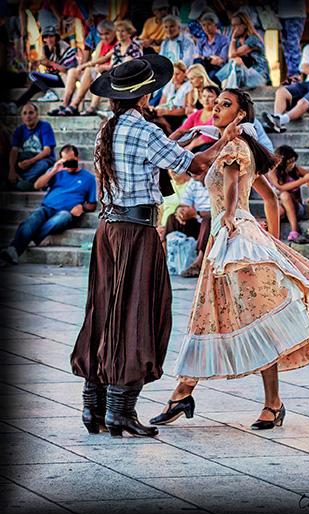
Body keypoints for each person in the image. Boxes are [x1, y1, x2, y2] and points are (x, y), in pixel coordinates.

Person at [149, 88, 309, 431]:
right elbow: (270, 198)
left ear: (241, 115)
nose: (217, 107)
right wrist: (267, 239)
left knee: (231, 315)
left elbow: (230, 189)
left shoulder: (234, 148)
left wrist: (231, 217)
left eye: (226, 104)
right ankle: (195, 393)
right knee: (230, 316)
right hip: (238, 237)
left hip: (233, 240)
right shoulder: (242, 147)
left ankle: (200, 394)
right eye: (217, 102)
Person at [69, 56, 244, 438]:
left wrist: (174, 141)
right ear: (144, 95)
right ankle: (121, 410)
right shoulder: (144, 130)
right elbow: (193, 167)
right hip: (136, 231)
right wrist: (224, 142)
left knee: (104, 309)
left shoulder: (107, 128)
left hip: (108, 229)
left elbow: (150, 158)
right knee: (138, 310)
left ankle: (93, 406)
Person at [1, 144, 97, 266]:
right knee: (34, 217)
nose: (68, 165)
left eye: (71, 161)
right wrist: (54, 170)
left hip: (66, 212)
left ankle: (24, 241)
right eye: (65, 162)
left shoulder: (88, 178)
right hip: (47, 207)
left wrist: (82, 207)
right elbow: (37, 186)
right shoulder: (56, 171)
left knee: (62, 218)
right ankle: (13, 250)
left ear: (78, 159)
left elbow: (92, 204)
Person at [48, 19, 117, 116]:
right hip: (95, 71)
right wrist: (85, 66)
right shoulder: (101, 44)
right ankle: (64, 104)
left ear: (114, 32)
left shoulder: (117, 44)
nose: (104, 37)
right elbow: (95, 60)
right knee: (72, 71)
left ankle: (74, 105)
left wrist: (85, 65)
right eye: (101, 34)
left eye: (107, 34)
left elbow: (103, 60)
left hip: (106, 73)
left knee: (88, 70)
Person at [14, 25, 77, 107]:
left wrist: (50, 63)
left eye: (51, 36)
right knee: (35, 85)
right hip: (55, 78)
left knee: (32, 74)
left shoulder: (65, 48)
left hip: (65, 79)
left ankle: (49, 93)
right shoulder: (46, 48)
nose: (49, 39)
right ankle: (15, 105)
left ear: (56, 37)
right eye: (46, 37)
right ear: (43, 39)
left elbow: (68, 71)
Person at [267, 145, 309, 242]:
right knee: (279, 209)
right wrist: (303, 180)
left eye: (294, 161)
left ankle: (295, 229)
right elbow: (280, 187)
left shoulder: (296, 169)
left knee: (285, 195)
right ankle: (270, 232)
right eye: (289, 162)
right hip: (280, 207)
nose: (292, 164)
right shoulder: (272, 172)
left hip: (296, 208)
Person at [163, 178, 211, 278]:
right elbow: (184, 204)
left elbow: (220, 210)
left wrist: (197, 213)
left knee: (207, 221)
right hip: (196, 222)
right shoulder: (194, 182)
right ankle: (165, 259)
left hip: (211, 222)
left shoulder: (216, 180)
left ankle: (198, 263)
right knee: (172, 218)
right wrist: (181, 212)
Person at [216, 11, 270, 89]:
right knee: (234, 63)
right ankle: (226, 89)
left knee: (236, 62)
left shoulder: (253, 39)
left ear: (244, 25)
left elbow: (232, 54)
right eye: (232, 26)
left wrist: (233, 38)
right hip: (244, 75)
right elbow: (230, 57)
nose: (233, 29)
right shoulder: (238, 41)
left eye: (236, 25)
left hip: (259, 75)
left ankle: (219, 82)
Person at [9, 102, 56, 191]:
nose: (28, 116)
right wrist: (12, 170)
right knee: (11, 160)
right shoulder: (19, 130)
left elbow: (47, 151)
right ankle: (22, 182)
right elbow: (14, 151)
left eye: (31, 113)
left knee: (43, 165)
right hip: (26, 160)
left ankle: (21, 182)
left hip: (42, 159)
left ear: (36, 114)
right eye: (25, 113)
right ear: (21, 116)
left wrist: (30, 161)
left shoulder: (45, 126)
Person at [169, 85, 220, 152]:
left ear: (217, 99)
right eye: (204, 96)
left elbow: (212, 134)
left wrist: (191, 145)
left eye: (210, 96)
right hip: (191, 144)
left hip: (207, 146)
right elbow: (181, 130)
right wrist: (167, 142)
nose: (206, 99)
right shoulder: (196, 114)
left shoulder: (218, 114)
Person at [151, 60, 191, 132]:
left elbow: (185, 110)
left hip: (178, 117)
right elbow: (161, 104)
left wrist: (166, 112)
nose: (174, 77)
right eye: (173, 74)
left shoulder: (189, 86)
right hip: (166, 115)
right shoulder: (169, 84)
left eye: (177, 74)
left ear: (185, 73)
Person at [193, 12, 229, 81]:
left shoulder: (224, 40)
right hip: (203, 67)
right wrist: (209, 59)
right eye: (203, 25)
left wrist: (203, 58)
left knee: (210, 77)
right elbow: (196, 57)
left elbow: (221, 60)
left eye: (209, 24)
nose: (206, 28)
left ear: (215, 25)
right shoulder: (201, 41)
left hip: (218, 68)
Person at [277, 0, 307, 85]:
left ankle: (296, 75)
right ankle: (291, 75)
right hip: (282, 13)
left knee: (293, 45)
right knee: (286, 46)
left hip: (295, 13)